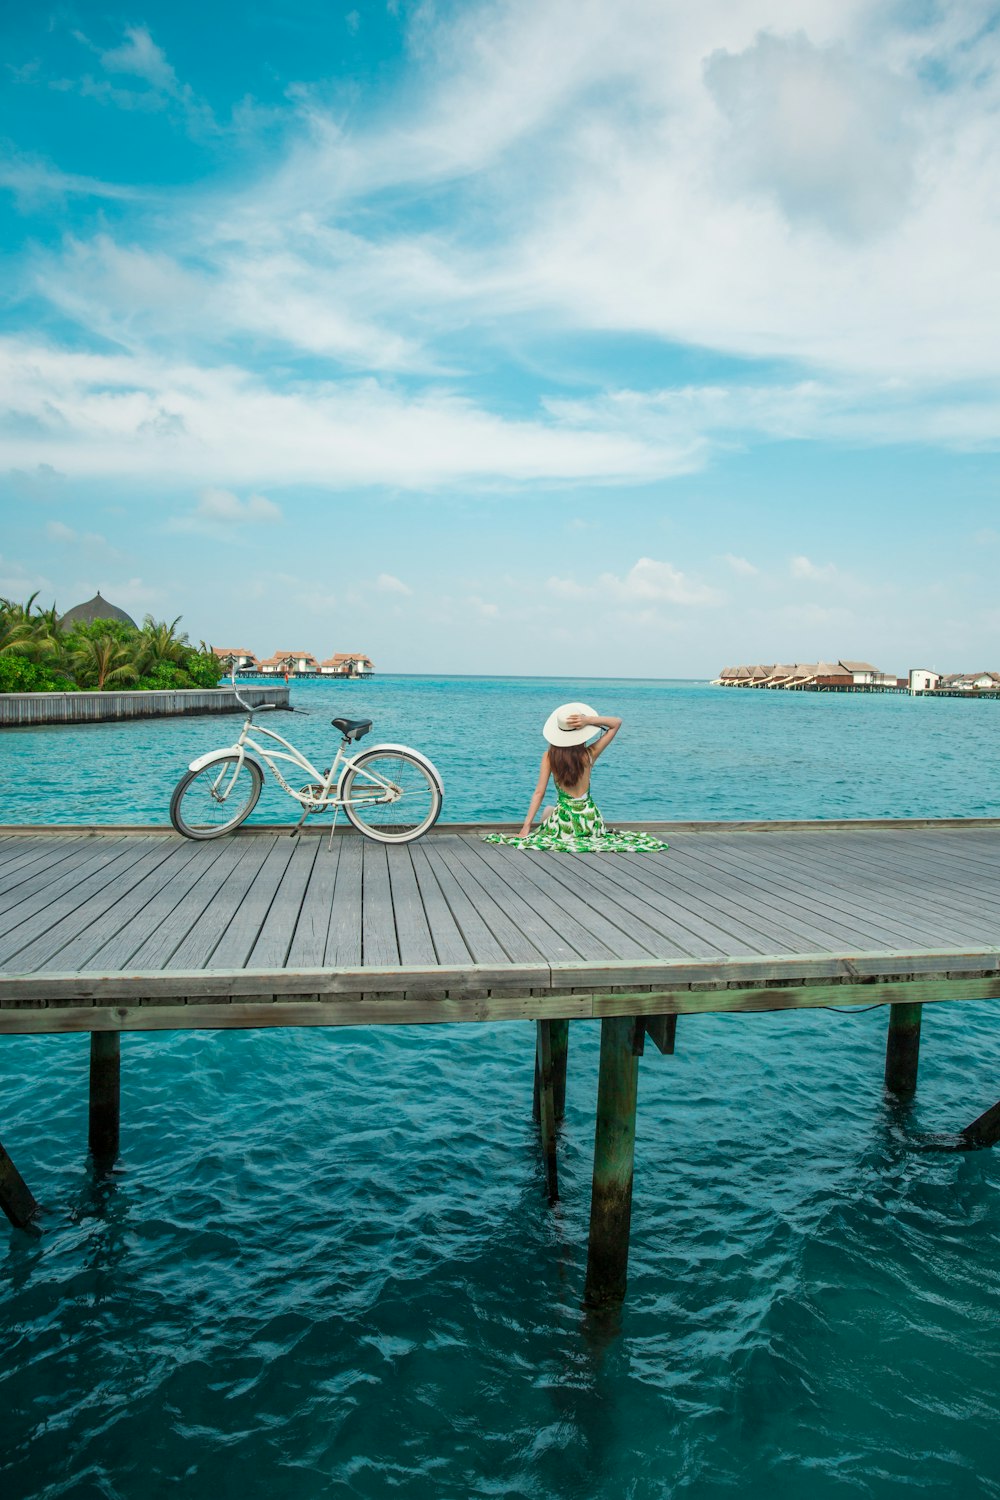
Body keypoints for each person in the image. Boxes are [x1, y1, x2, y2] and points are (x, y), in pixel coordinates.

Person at [483, 700, 669, 853]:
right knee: (556, 810)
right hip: (591, 821)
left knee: (548, 809)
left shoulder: (549, 757)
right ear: (580, 733)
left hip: (565, 821)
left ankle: (558, 828)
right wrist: (588, 720)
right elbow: (616, 723)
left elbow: (539, 793)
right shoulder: (589, 754)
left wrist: (526, 828)